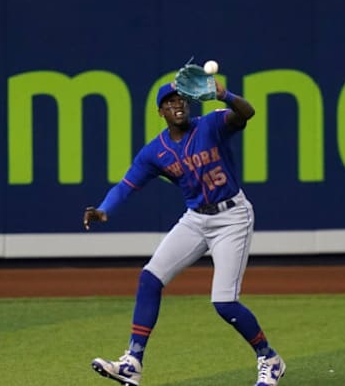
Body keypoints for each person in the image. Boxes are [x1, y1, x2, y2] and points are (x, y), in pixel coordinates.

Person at [83, 78, 285, 386]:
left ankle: (269, 358)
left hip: (232, 216)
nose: (177, 105)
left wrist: (223, 94)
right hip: (195, 219)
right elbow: (127, 185)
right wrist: (104, 209)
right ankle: (132, 362)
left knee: (224, 303)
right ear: (160, 112)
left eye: (181, 100)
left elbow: (247, 112)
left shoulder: (211, 124)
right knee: (149, 279)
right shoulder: (155, 151)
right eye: (169, 102)